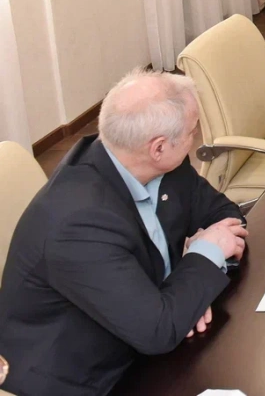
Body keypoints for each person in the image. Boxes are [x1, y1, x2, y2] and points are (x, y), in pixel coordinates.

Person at [0, 70, 248, 396]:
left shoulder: (154, 162)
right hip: (84, 379)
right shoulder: (77, 224)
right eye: (193, 131)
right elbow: (157, 331)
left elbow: (226, 217)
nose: (195, 137)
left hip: (148, 340)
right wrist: (201, 263)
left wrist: (188, 294)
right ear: (158, 147)